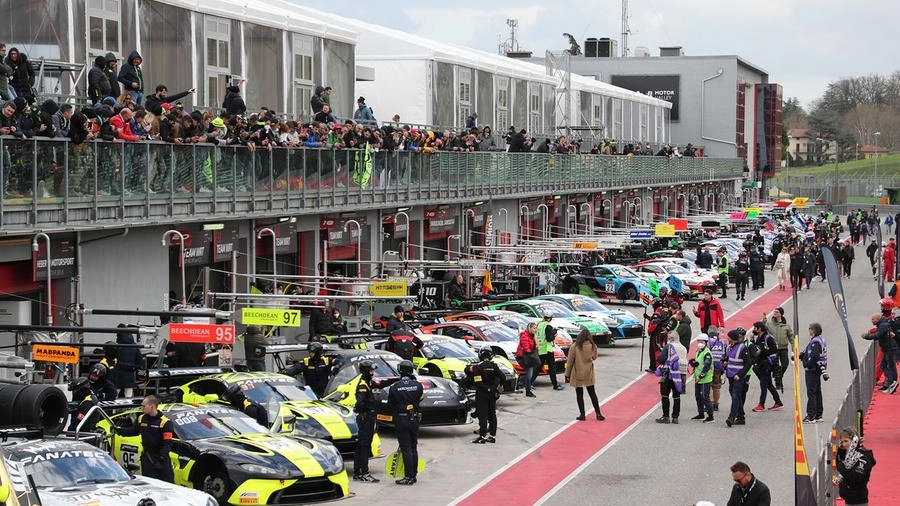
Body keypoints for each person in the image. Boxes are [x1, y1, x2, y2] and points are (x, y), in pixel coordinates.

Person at [119, 395, 174, 483]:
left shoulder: (165, 422)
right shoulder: (141, 418)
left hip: (161, 459)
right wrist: (120, 431)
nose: (142, 408)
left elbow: (167, 443)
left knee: (168, 485)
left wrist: (162, 458)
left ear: (151, 406)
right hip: (147, 458)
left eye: (144, 406)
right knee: (150, 485)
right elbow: (134, 431)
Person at [387, 360, 423, 485]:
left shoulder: (395, 387)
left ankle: (408, 476)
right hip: (414, 419)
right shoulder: (418, 385)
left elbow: (390, 405)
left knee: (406, 448)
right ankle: (414, 474)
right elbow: (419, 400)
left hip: (401, 419)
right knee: (413, 447)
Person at [565, 329, 605, 422]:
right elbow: (594, 357)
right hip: (589, 372)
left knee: (579, 394)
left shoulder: (575, 347)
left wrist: (567, 374)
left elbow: (570, 361)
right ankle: (598, 413)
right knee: (592, 393)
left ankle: (582, 414)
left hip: (577, 372)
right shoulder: (593, 346)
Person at [467, 348, 506, 443]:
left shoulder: (478, 367)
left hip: (482, 393)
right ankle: (492, 436)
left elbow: (478, 382)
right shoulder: (494, 365)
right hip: (492, 393)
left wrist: (486, 389)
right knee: (492, 414)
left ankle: (482, 437)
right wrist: (496, 387)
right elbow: (503, 377)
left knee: (483, 414)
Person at [352, 360, 380, 482]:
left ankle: (358, 472)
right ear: (366, 371)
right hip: (366, 418)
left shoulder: (367, 382)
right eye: (371, 370)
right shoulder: (363, 385)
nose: (373, 372)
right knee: (364, 446)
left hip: (366, 417)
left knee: (361, 446)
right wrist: (370, 409)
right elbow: (360, 403)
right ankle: (364, 473)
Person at [723, 328, 755, 427]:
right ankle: (741, 417)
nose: (727, 338)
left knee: (736, 395)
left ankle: (731, 417)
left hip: (738, 376)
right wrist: (724, 361)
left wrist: (740, 375)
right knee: (735, 396)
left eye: (728, 337)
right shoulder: (729, 347)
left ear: (732, 338)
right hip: (730, 375)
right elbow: (727, 357)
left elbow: (748, 363)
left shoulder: (742, 348)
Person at [836, 427, 876, 506]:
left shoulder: (862, 456)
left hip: (859, 500)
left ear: (854, 440)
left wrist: (841, 466)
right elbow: (840, 463)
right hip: (848, 499)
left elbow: (855, 478)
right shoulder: (848, 454)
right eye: (842, 442)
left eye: (846, 441)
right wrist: (840, 451)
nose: (843, 444)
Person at [861, 312, 898, 394]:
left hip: (890, 348)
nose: (871, 321)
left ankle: (893, 382)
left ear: (878, 319)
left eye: (873, 319)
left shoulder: (883, 325)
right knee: (883, 365)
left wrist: (866, 336)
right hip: (887, 348)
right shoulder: (882, 325)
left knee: (891, 366)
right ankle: (890, 381)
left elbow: (877, 335)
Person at [655, 331, 687, 424]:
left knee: (665, 395)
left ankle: (665, 416)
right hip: (680, 375)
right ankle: (675, 417)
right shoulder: (683, 348)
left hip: (668, 374)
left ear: (671, 339)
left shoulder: (668, 347)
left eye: (668, 338)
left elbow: (661, 359)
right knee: (677, 397)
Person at [749, 321, 782, 412]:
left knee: (763, 384)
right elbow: (757, 348)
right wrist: (752, 341)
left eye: (755, 328)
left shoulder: (768, 338)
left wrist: (762, 353)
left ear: (759, 329)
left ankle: (761, 404)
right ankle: (778, 402)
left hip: (767, 364)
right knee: (768, 384)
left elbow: (774, 350)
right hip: (760, 364)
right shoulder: (758, 338)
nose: (753, 330)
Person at [800, 322, 826, 423]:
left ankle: (811, 416)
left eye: (810, 328)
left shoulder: (815, 342)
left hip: (813, 369)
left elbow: (814, 356)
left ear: (814, 330)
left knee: (811, 392)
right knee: (817, 391)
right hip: (818, 368)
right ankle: (818, 415)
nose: (809, 330)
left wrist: (807, 365)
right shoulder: (820, 339)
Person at [534, 310, 564, 391]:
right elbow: (549, 338)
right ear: (550, 318)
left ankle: (529, 383)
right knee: (552, 368)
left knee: (538, 367)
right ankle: (555, 385)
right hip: (547, 349)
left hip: (540, 349)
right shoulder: (548, 326)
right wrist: (554, 334)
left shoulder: (539, 324)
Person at [764, 307, 792, 392]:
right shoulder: (769, 323)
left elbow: (791, 337)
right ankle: (777, 381)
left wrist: (794, 348)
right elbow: (763, 329)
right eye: (774, 311)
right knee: (776, 367)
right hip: (774, 349)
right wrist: (763, 321)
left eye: (777, 312)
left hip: (783, 348)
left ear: (781, 314)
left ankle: (779, 376)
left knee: (785, 364)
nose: (775, 313)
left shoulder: (786, 326)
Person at [689, 333, 715, 422]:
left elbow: (706, 367)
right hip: (698, 378)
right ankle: (701, 414)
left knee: (705, 397)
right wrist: (693, 362)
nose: (699, 343)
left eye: (701, 341)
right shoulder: (699, 351)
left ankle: (711, 416)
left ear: (706, 342)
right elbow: (699, 363)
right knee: (698, 396)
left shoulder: (707, 353)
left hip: (705, 379)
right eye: (698, 341)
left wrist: (700, 377)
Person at [115, 325, 142, 398]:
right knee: (129, 396)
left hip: (118, 375)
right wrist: (132, 367)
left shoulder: (117, 346)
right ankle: (128, 408)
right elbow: (140, 362)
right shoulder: (134, 346)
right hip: (130, 375)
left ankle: (113, 409)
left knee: (114, 396)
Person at [515, 322, 539, 397]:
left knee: (529, 374)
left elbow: (534, 346)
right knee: (529, 375)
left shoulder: (532, 336)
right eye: (534, 328)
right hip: (524, 357)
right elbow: (526, 348)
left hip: (529, 356)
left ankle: (520, 382)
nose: (535, 330)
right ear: (530, 328)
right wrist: (533, 354)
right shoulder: (524, 336)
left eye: (536, 328)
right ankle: (527, 390)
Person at [708, 328, 728, 412]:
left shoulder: (708, 342)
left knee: (708, 386)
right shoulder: (723, 343)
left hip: (709, 367)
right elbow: (726, 354)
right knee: (716, 387)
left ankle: (709, 403)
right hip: (719, 367)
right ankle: (715, 404)